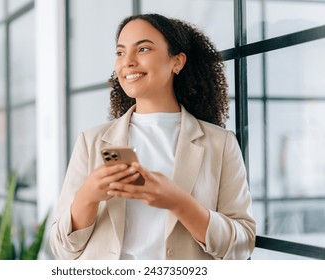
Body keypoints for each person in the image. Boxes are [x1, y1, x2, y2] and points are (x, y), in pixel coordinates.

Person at [50, 13, 256, 260]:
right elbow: (62, 249)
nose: (128, 62)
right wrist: (88, 196)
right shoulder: (91, 141)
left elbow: (242, 245)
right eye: (120, 52)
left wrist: (179, 202)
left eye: (143, 49)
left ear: (177, 62)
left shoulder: (220, 143)